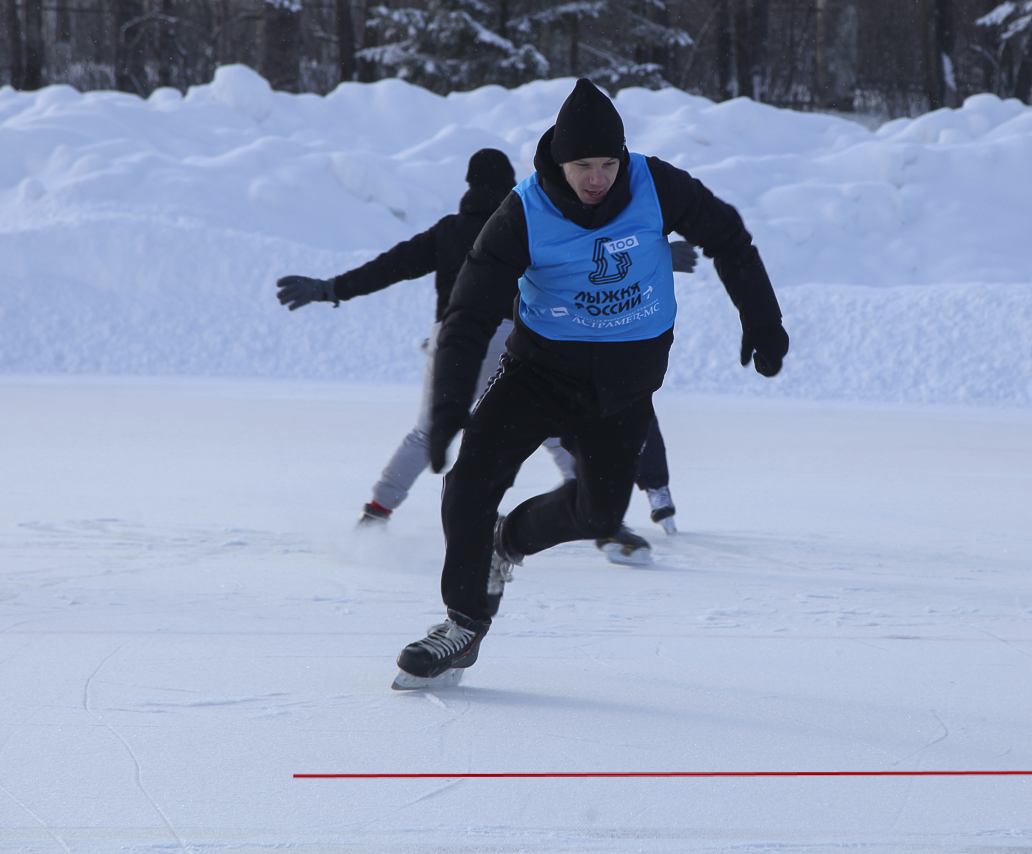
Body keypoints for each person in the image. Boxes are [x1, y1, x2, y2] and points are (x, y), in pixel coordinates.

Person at [392, 78, 787, 689]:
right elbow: (470, 312)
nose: (598, 178)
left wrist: (763, 319)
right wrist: (448, 403)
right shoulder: (523, 211)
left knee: (599, 513)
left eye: (608, 163)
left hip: (625, 385)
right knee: (469, 480)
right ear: (558, 161)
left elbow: (728, 236)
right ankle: (463, 623)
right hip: (539, 372)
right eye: (583, 166)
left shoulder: (656, 184)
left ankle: (510, 540)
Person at [275, 147, 687, 550]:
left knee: (426, 432)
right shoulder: (527, 221)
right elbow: (587, 257)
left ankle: (376, 513)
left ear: (469, 184)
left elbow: (387, 267)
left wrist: (330, 288)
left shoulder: (447, 231)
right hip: (516, 339)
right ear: (510, 181)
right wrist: (661, 253)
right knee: (556, 431)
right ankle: (601, 521)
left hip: (456, 340)